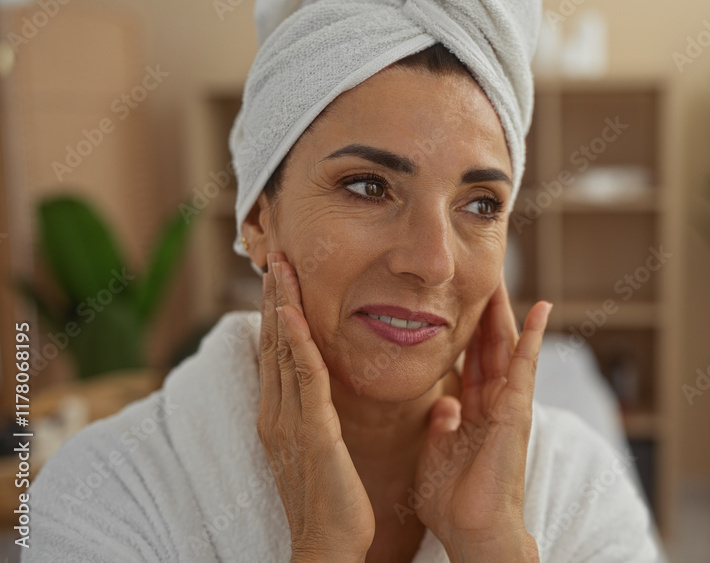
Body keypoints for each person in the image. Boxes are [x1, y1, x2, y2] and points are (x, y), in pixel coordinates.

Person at [25, 1, 665, 561]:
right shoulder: (109, 491)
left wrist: (493, 548)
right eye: (368, 187)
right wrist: (323, 549)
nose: (433, 262)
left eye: (479, 204)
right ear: (257, 218)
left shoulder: (579, 487)